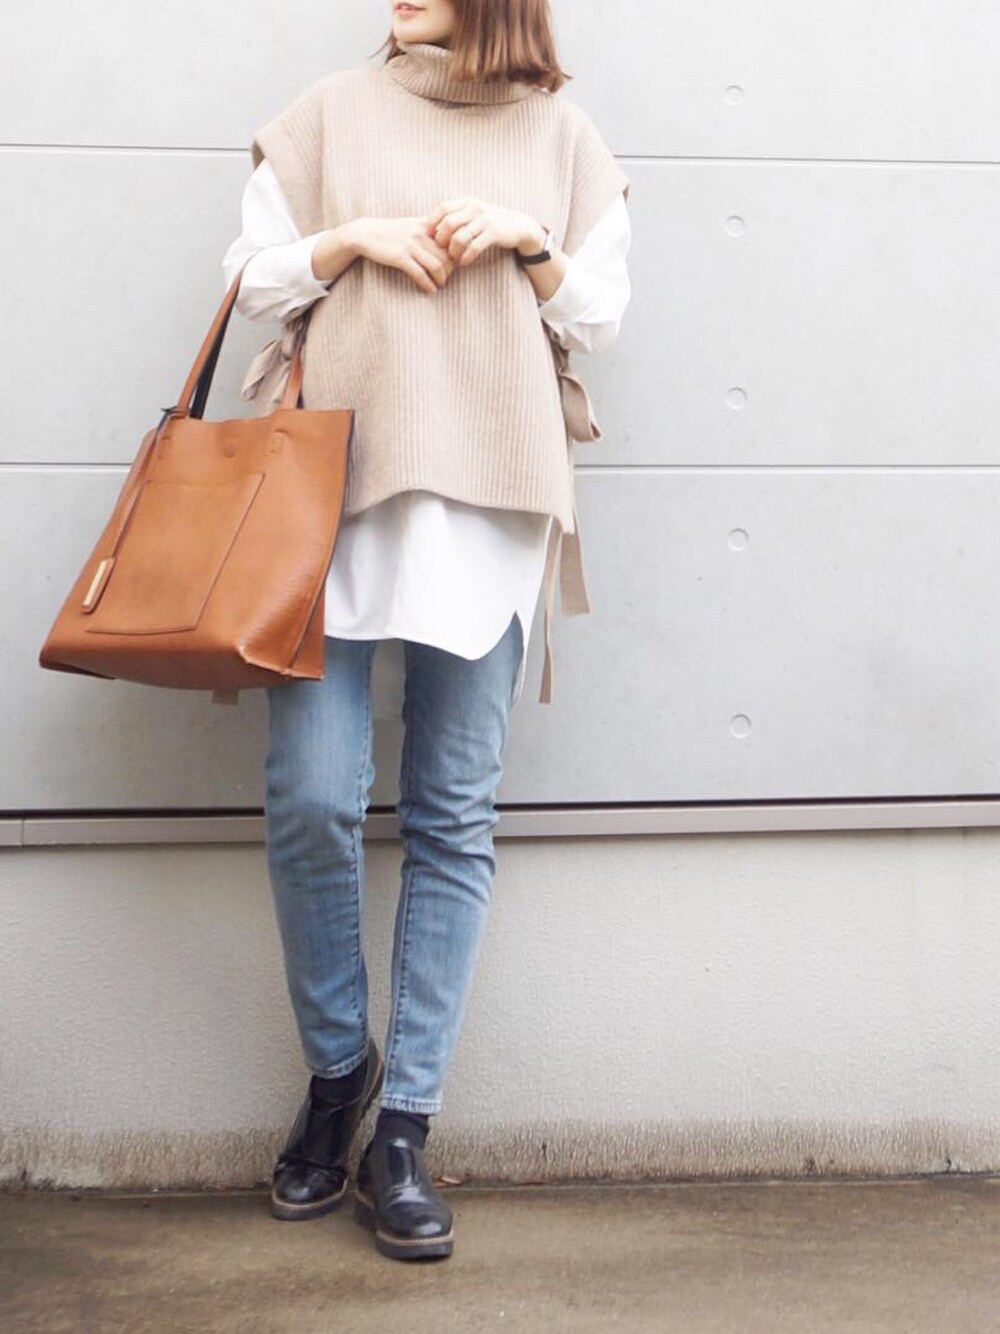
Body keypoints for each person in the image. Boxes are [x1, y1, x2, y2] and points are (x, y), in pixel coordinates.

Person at [221, 0, 631, 1262]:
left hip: (492, 499)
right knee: (312, 797)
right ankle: (337, 1068)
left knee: (453, 813)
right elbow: (246, 280)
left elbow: (600, 316)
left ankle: (401, 1126)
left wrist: (528, 241)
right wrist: (349, 239)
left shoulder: (559, 135)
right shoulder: (332, 114)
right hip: (331, 500)